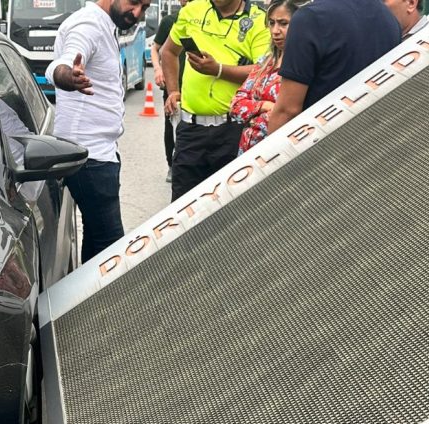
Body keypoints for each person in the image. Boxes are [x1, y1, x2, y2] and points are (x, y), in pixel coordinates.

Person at [44, 0, 152, 262]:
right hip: (89, 158)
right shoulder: (89, 25)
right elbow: (61, 65)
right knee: (112, 253)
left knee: (96, 245)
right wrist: (69, 76)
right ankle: (112, 303)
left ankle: (87, 300)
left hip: (97, 154)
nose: (137, 13)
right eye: (134, 2)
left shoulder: (104, 24)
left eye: (145, 8)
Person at [161, 0, 269, 201]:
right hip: (190, 132)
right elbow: (168, 51)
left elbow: (263, 71)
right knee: (182, 206)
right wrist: (173, 91)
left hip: (233, 131)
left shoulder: (258, 20)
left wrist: (218, 70)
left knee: (229, 208)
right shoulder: (192, 10)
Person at [267, 0, 399, 135]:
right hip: (379, 134)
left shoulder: (309, 18)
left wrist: (268, 153)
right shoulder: (385, 13)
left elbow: (288, 111)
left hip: (325, 140)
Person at [228, 0, 297, 154]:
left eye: (283, 23)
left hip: (277, 151)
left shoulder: (301, 64)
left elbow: (289, 114)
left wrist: (253, 116)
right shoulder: (265, 62)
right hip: (247, 152)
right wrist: (265, 106)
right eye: (271, 23)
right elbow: (235, 105)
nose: (275, 30)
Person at [150, 0, 187, 183]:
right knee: (171, 126)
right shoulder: (170, 22)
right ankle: (172, 165)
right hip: (174, 85)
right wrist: (158, 70)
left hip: (196, 86)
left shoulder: (206, 21)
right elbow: (156, 49)